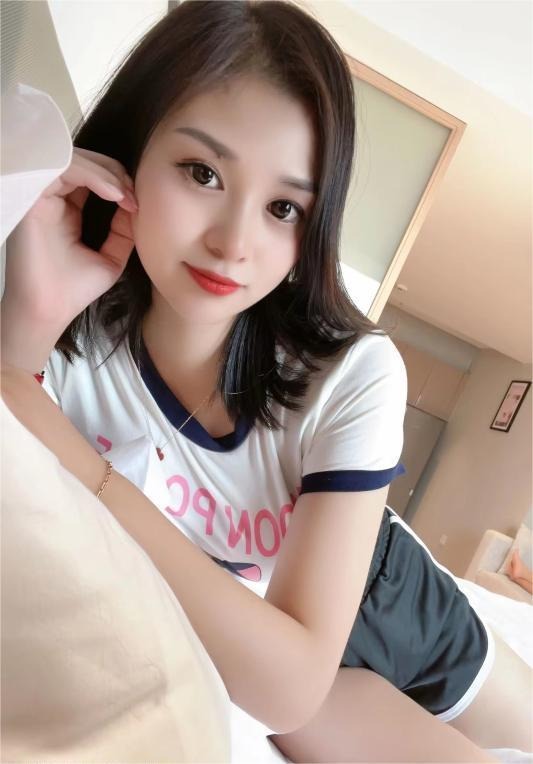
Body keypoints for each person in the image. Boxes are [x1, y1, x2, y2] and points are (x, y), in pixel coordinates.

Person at [1, 1, 530, 760]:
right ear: (132, 151)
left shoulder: (351, 371)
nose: (234, 244)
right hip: (269, 631)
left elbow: (289, 681)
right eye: (203, 173)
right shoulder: (70, 311)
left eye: (284, 207)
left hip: (394, 607)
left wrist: (85, 467)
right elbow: (286, 692)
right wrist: (27, 320)